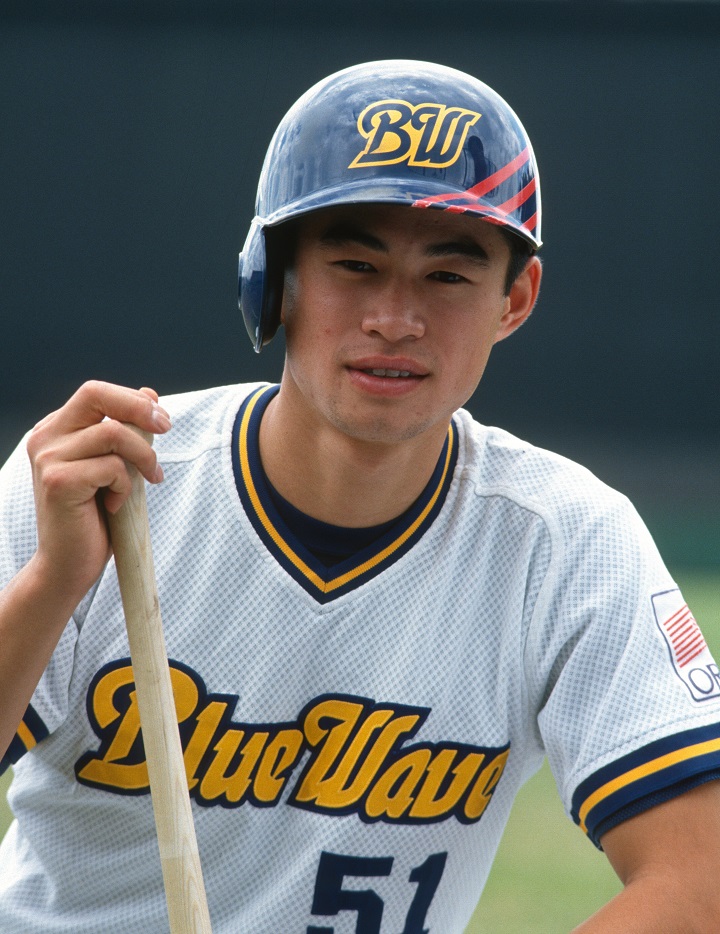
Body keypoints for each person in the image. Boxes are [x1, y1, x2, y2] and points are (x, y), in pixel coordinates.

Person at [1, 59, 719, 934]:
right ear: (273, 282)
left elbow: (700, 878)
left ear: (514, 299)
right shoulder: (106, 481)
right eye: (353, 263)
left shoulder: (563, 540)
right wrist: (51, 584)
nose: (395, 318)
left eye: (448, 277)